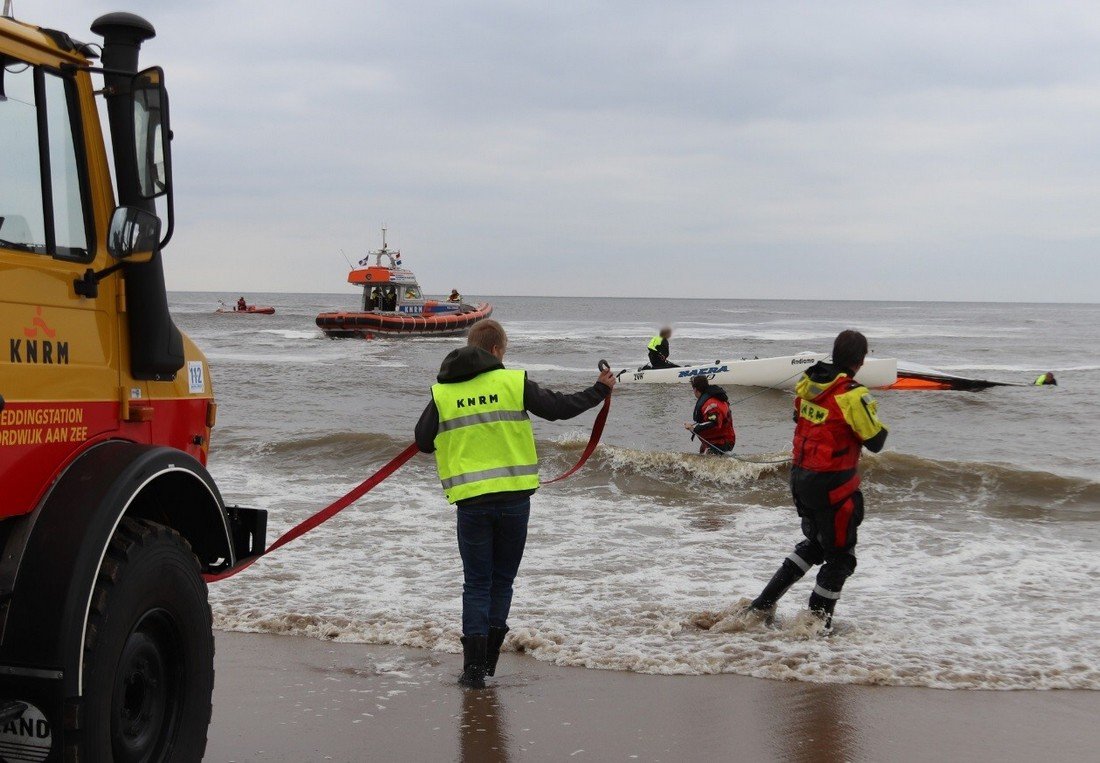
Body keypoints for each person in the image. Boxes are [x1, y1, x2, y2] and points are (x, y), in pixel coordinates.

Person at [415, 320, 615, 688]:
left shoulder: (443, 393)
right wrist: (598, 391)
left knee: (476, 584)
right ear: (495, 351)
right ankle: (487, 664)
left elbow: (424, 442)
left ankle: (472, 670)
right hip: (514, 501)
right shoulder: (512, 382)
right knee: (502, 582)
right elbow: (558, 409)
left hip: (471, 502)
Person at [745, 330, 887, 630]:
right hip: (834, 486)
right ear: (861, 361)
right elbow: (875, 441)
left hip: (801, 478)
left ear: (834, 354)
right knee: (840, 559)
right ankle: (815, 624)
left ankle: (761, 606)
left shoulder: (808, 383)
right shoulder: (852, 394)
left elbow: (799, 418)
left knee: (815, 545)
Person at [684, 376, 736, 455]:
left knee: (705, 461)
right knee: (701, 455)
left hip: (722, 442)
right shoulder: (711, 400)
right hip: (714, 441)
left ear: (695, 389)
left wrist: (693, 428)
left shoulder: (711, 404)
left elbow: (714, 423)